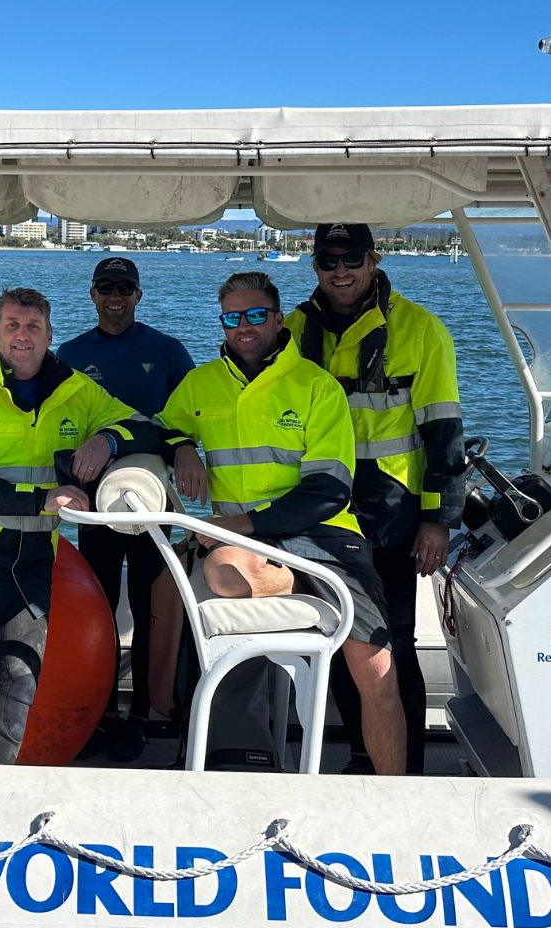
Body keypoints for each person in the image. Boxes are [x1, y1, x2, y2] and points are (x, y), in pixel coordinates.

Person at [0, 287, 168, 765]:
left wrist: (106, 442)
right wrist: (46, 499)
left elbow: (145, 426)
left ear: (50, 335)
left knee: (20, 681)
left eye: (32, 327)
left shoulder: (76, 389)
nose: (21, 336)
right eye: (12, 325)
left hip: (27, 562)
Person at [160, 270, 407, 775]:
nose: (244, 326)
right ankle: (297, 583)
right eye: (233, 317)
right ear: (223, 323)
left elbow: (330, 490)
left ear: (277, 319)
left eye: (255, 315)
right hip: (243, 548)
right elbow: (162, 427)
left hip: (328, 537)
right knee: (222, 567)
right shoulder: (199, 383)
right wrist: (183, 447)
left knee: (377, 668)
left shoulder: (316, 387)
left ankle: (395, 792)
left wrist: (242, 523)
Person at [282, 224, 466, 775]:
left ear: (374, 259)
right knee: (336, 634)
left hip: (392, 511)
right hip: (321, 508)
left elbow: (444, 432)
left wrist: (438, 519)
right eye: (328, 260)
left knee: (394, 641)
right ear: (314, 265)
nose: (341, 271)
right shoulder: (293, 328)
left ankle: (405, 772)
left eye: (352, 259)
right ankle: (363, 759)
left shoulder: (420, 330)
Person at [55, 257, 195, 761]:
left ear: (139, 296)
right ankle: (102, 709)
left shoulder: (166, 352)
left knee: (149, 604)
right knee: (98, 605)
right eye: (107, 287)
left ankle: (146, 711)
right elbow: (58, 424)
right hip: (97, 502)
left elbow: (190, 415)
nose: (115, 296)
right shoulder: (70, 354)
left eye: (125, 289)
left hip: (153, 498)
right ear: (92, 294)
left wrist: (184, 450)